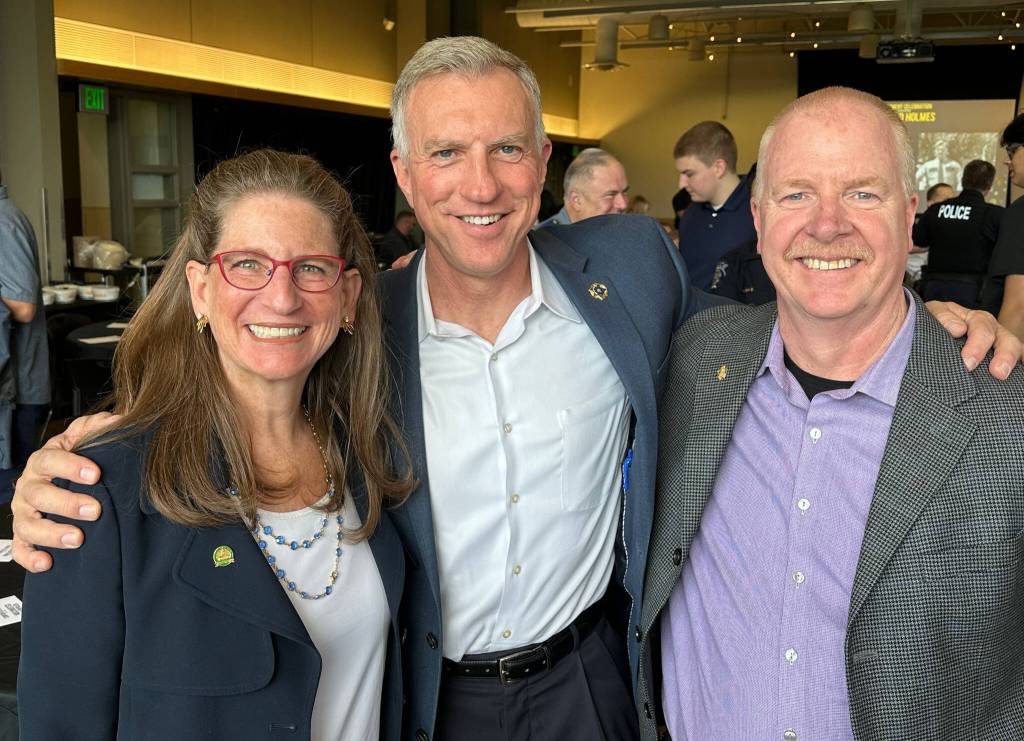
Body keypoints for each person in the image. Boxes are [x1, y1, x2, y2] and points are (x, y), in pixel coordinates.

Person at [11, 39, 1023, 741]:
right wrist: (78, 464)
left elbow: (800, 312)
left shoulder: (631, 273)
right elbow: (250, 363)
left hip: (593, 680)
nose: (481, 184)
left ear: (544, 162)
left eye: (506, 148)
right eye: (446, 153)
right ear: (405, 173)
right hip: (429, 693)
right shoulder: (361, 325)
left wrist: (918, 323)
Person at [637, 87, 1024, 741]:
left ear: (909, 216)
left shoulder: (1005, 411)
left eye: (862, 193)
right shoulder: (697, 358)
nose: (826, 224)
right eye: (796, 194)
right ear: (758, 216)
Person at [18, 149, 413, 740]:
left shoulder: (372, 454)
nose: (282, 297)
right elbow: (60, 726)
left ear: (348, 296)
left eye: (311, 267)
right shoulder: (100, 492)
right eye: (248, 264)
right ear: (200, 289)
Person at [0, 172, 49, 500]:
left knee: (11, 496)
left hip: (18, 390)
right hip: (11, 387)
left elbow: (24, 308)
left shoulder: (4, 222)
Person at [674, 122, 758, 288]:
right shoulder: (690, 215)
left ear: (719, 168)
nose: (681, 184)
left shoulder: (757, 211)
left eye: (689, 174)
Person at [913, 159, 1002, 307]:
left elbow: (918, 241)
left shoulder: (936, 210)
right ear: (989, 186)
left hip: (934, 289)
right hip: (973, 292)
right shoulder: (994, 215)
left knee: (933, 323)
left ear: (962, 180)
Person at [981, 113, 1024, 340]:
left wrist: (1002, 358)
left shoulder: (1021, 212)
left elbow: (1019, 308)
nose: (1008, 161)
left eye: (1012, 151)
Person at [537, 147, 629, 227]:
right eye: (610, 195)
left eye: (624, 192)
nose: (623, 204)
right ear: (577, 200)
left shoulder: (620, 233)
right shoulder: (543, 240)